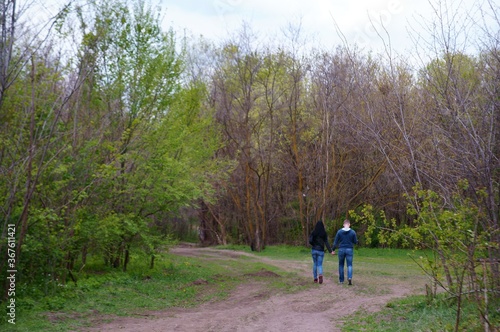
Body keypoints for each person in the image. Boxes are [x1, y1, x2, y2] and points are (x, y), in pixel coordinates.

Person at [332, 219, 358, 285]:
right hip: (349, 249)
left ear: (343, 224)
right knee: (349, 265)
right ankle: (349, 277)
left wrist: (333, 249)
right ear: (349, 224)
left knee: (341, 265)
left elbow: (335, 242)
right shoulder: (352, 232)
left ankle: (341, 280)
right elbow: (355, 242)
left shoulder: (339, 232)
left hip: (341, 249)